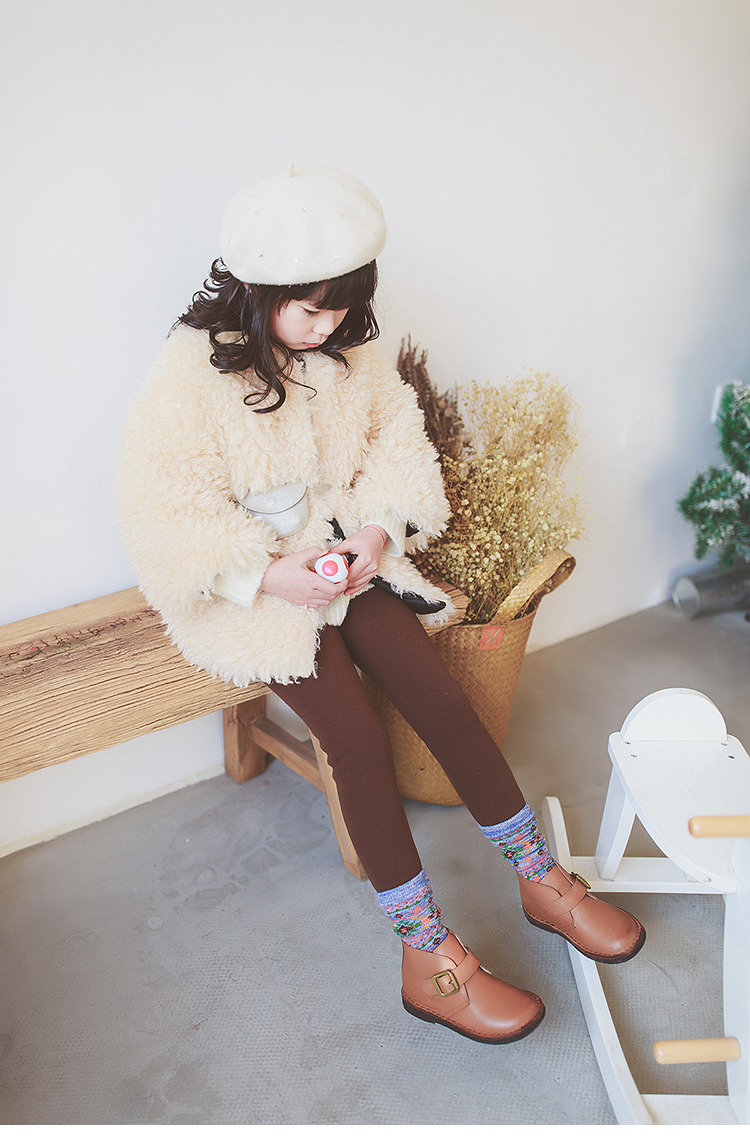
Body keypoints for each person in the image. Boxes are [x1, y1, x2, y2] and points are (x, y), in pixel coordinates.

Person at [117, 164, 645, 1046]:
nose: (328, 328)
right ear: (257, 289)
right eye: (310, 309)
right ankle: (428, 956)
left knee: (440, 696)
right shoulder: (187, 376)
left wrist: (376, 530)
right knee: (357, 737)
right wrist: (267, 577)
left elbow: (397, 440)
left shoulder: (349, 355)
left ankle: (542, 880)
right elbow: (160, 515)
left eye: (342, 309)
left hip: (346, 562)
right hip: (253, 595)